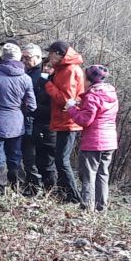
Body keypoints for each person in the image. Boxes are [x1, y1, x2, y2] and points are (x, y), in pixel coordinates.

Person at [0, 43, 36, 191]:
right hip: (16, 122)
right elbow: (32, 105)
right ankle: (16, 186)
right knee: (15, 155)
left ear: (3, 57)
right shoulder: (26, 78)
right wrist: (19, 110)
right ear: (19, 58)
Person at [67, 65, 119, 211]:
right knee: (103, 174)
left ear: (89, 79)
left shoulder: (92, 96)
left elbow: (85, 120)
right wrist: (81, 104)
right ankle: (101, 206)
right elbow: (100, 111)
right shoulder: (110, 93)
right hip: (109, 141)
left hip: (94, 141)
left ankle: (87, 206)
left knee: (88, 175)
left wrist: (71, 108)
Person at [44, 41, 88, 203]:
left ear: (59, 54)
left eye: (51, 53)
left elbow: (66, 100)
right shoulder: (64, 68)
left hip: (68, 121)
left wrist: (48, 85)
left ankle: (74, 197)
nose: (49, 56)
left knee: (62, 160)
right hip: (64, 120)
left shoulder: (70, 70)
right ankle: (64, 193)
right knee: (59, 158)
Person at [21, 47, 55, 196]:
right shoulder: (36, 77)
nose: (47, 69)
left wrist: (32, 109)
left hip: (46, 125)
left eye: (50, 67)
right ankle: (34, 187)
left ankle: (49, 189)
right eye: (45, 66)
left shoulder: (47, 83)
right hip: (35, 123)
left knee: (45, 160)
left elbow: (52, 106)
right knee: (33, 158)